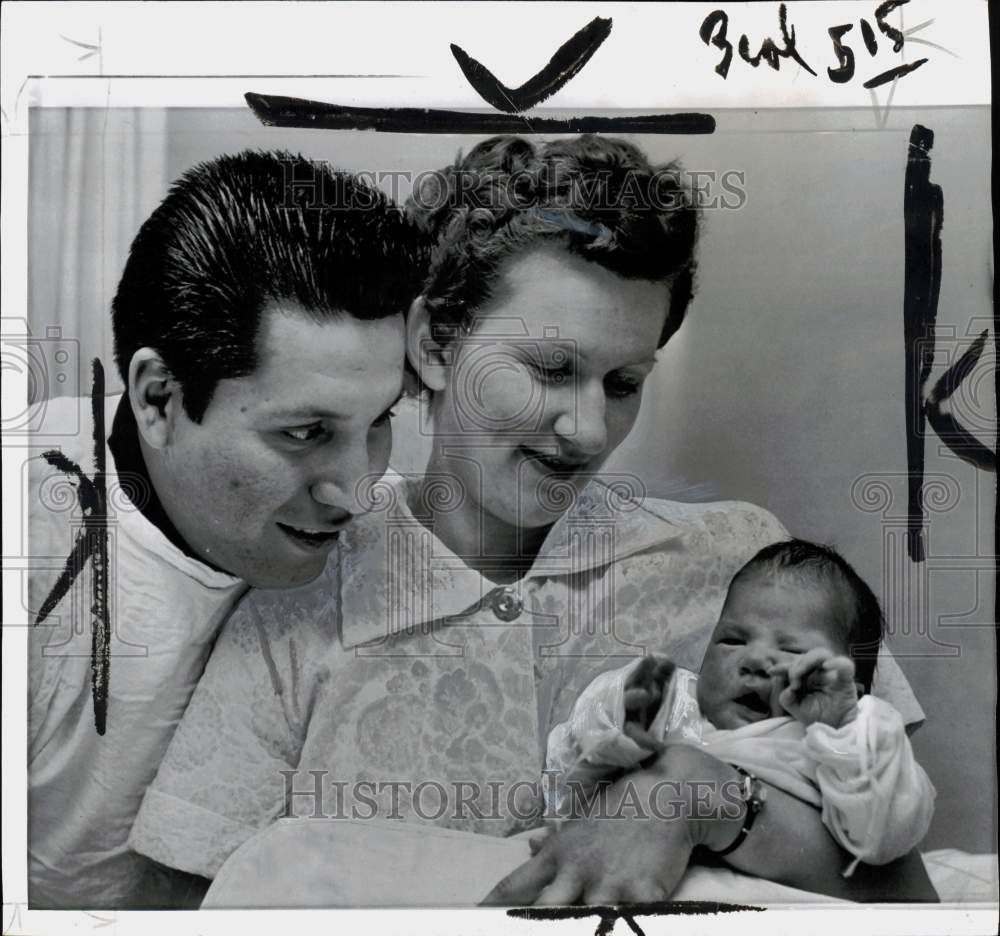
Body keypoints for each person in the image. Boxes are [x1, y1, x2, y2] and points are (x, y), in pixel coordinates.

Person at [127, 135, 926, 905]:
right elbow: (186, 908)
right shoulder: (296, 598)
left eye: (623, 383)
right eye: (549, 368)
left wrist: (698, 793)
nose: (588, 430)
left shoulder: (746, 566)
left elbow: (915, 894)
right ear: (436, 344)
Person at [27, 150, 426, 908]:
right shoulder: (28, 550)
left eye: (380, 422)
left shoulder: (387, 536)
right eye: (304, 433)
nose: (358, 490)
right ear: (159, 398)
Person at [544, 539, 936, 883]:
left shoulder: (831, 749)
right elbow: (566, 784)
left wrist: (848, 728)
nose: (754, 661)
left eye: (792, 651)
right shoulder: (675, 711)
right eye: (732, 640)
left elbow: (886, 832)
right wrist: (616, 732)